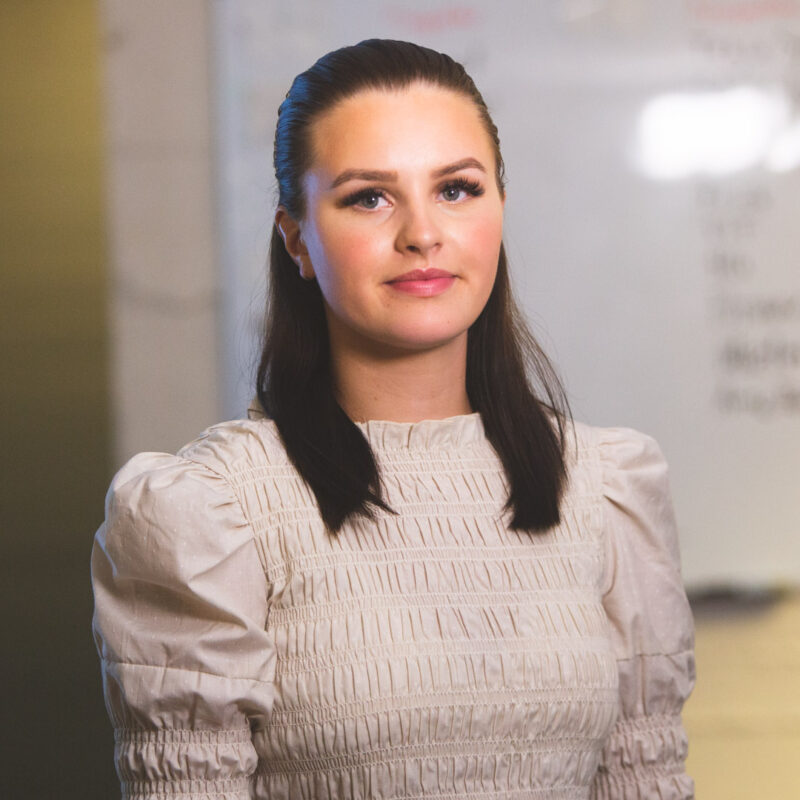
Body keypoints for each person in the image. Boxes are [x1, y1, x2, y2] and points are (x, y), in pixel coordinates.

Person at [91, 39, 695, 800]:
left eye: (457, 189)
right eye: (368, 197)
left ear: (500, 210)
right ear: (296, 238)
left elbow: (648, 779)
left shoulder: (606, 487)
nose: (421, 233)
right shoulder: (205, 515)